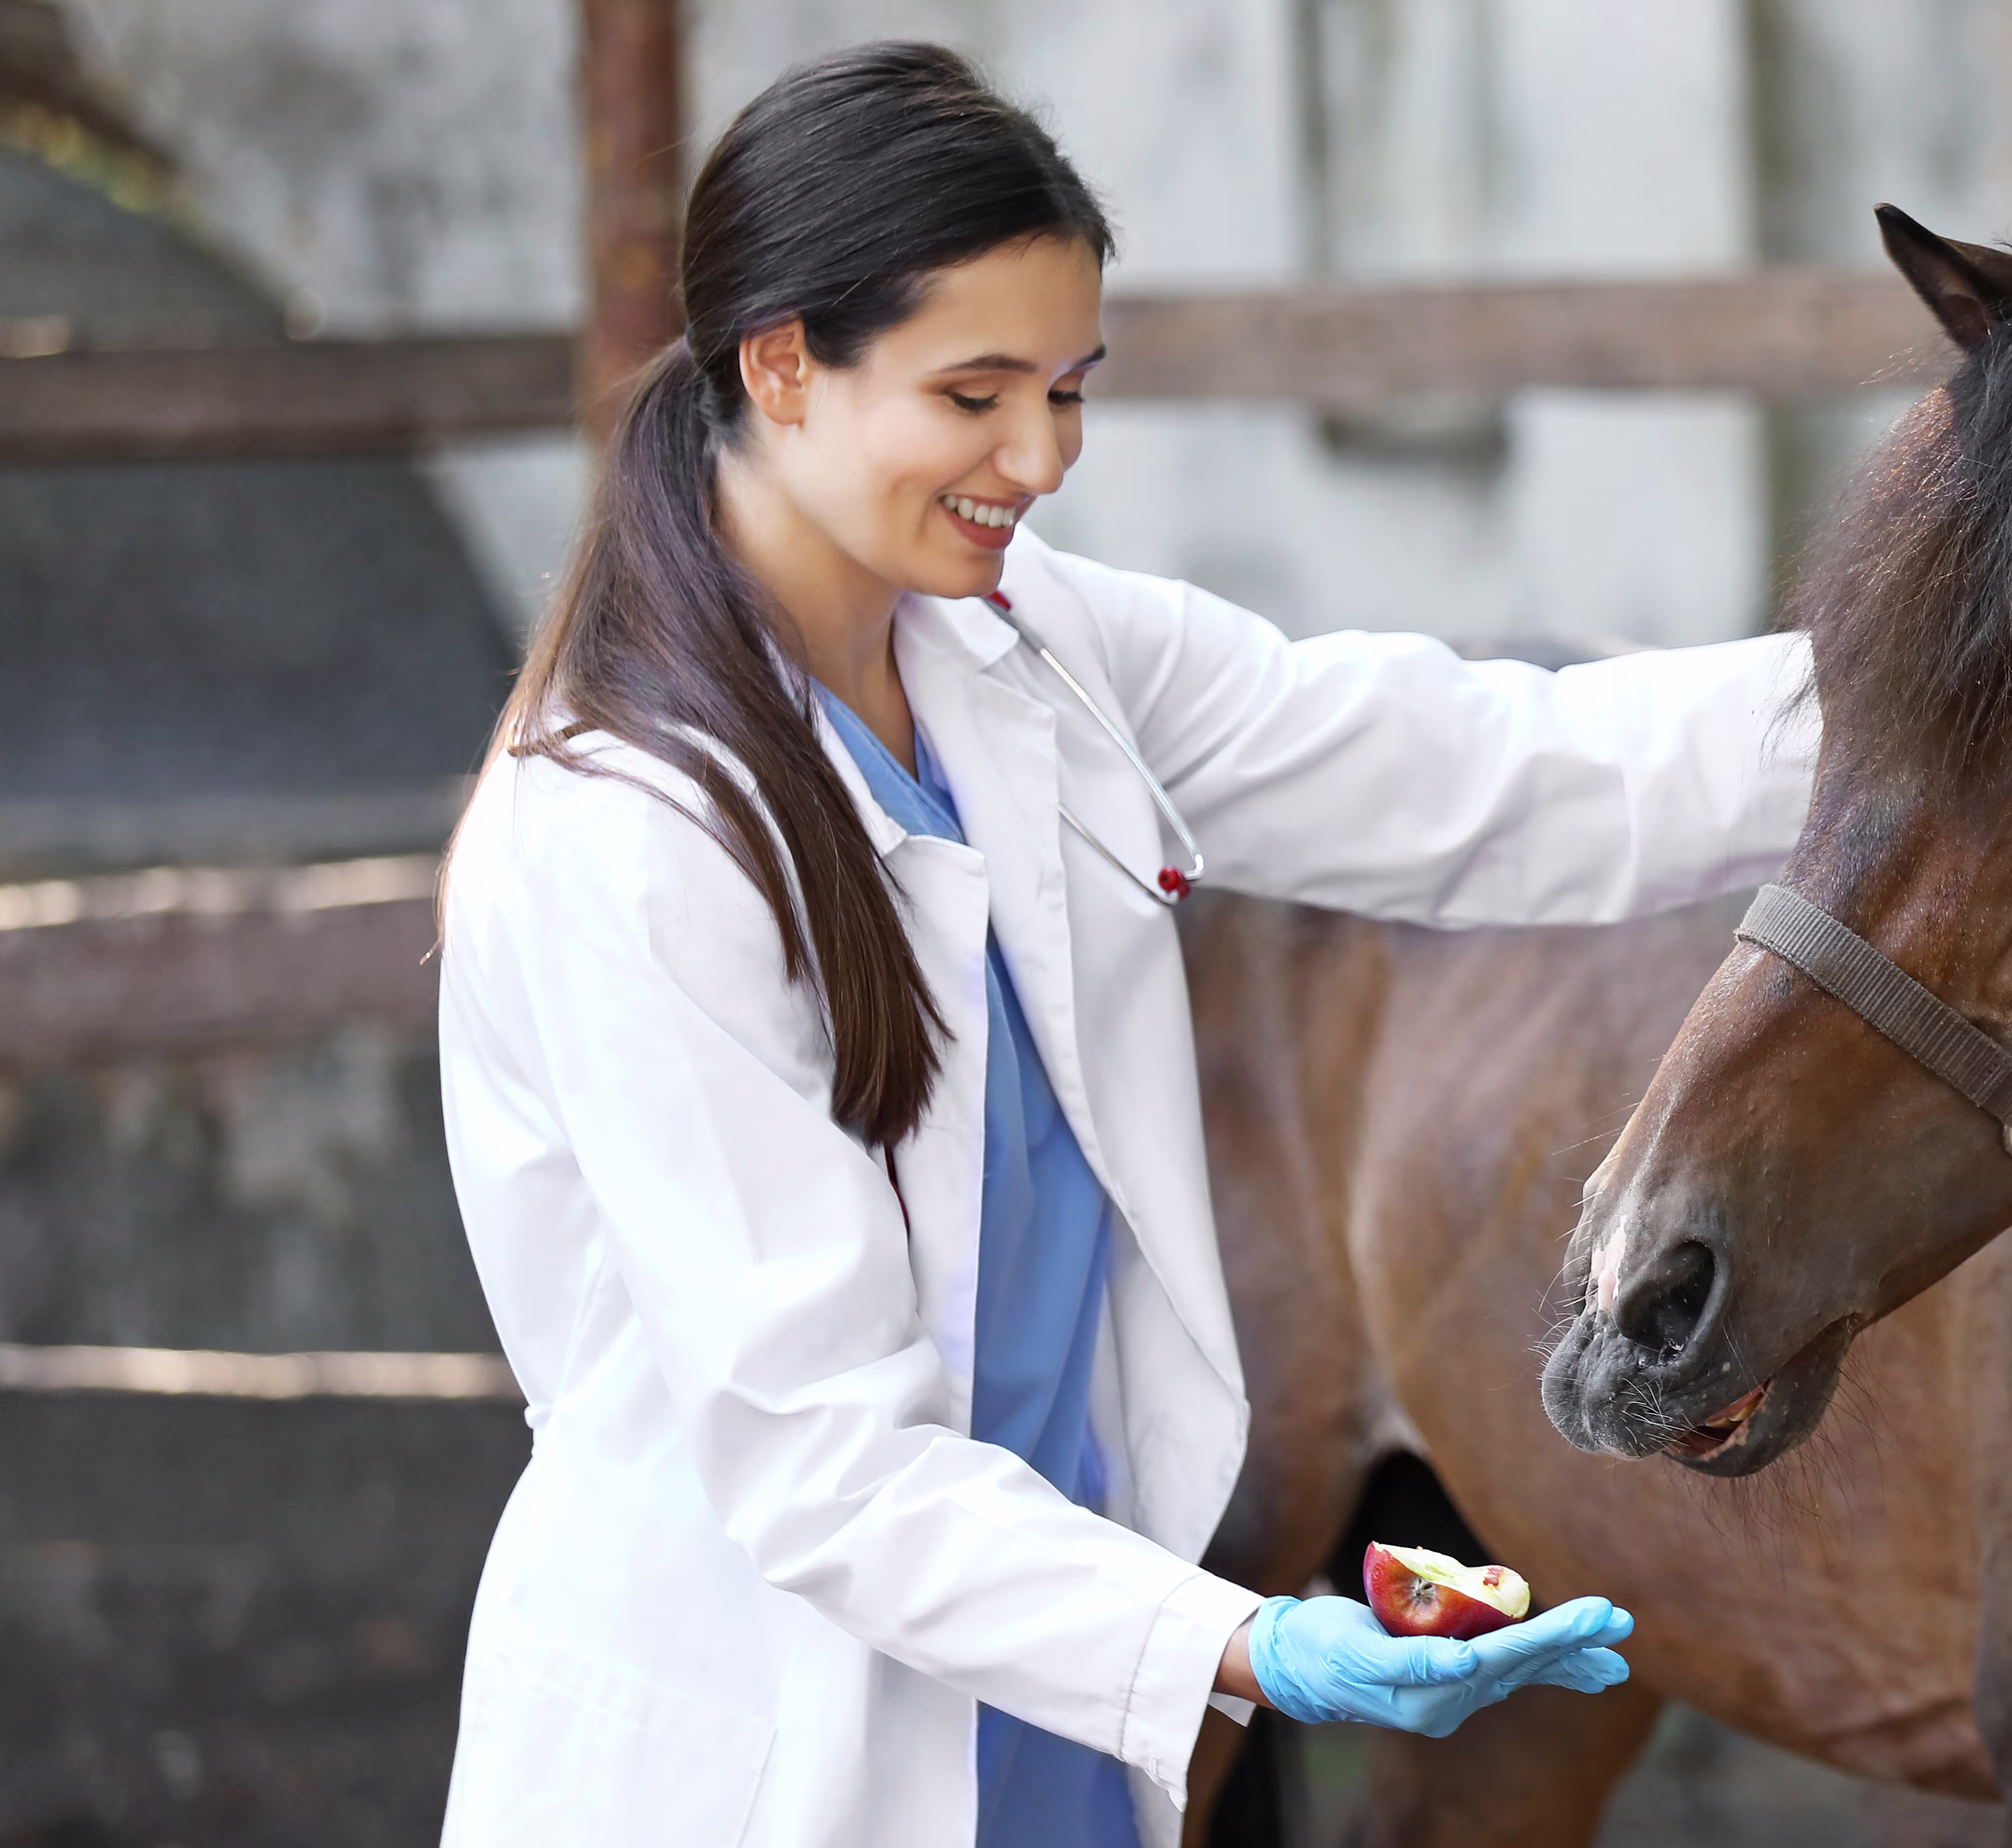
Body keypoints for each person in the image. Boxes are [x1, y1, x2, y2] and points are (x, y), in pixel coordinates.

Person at [432, 42, 1813, 1848]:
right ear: (781, 364)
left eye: (1068, 393)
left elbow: (1485, 770)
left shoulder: (1029, 648)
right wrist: (1243, 1644)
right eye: (976, 394)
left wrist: (1943, 674)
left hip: (1056, 1714)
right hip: (770, 1742)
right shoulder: (627, 832)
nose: (1040, 461)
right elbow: (831, 1471)